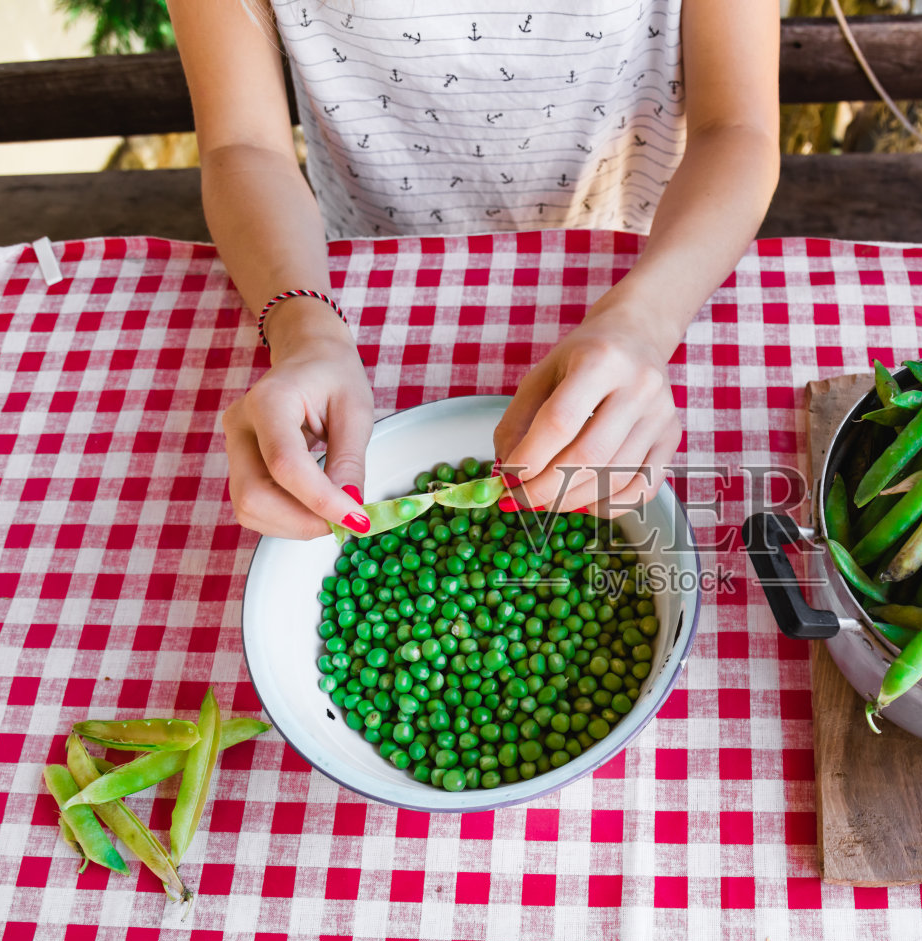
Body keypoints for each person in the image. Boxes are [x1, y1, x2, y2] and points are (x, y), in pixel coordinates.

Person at [166, 0, 780, 538]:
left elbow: (736, 128)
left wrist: (646, 320)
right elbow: (241, 145)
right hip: (348, 267)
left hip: (646, 258)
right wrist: (305, 332)